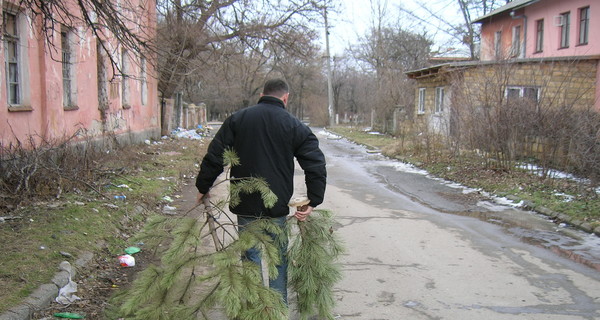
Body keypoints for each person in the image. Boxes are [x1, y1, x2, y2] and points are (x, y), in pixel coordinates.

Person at [195, 78, 327, 304]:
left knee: (250, 256)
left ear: (261, 95)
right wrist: (313, 199)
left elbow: (215, 155)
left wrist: (203, 186)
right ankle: (276, 309)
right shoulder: (293, 124)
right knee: (277, 259)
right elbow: (315, 163)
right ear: (285, 98)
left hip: (245, 203)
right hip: (276, 207)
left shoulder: (238, 119)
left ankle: (254, 308)